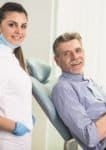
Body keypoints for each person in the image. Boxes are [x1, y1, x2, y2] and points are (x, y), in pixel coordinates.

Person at [0, 2, 34, 150]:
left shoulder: (12, 57)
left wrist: (27, 118)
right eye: (12, 25)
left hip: (20, 141)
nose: (19, 31)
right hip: (6, 140)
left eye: (23, 26)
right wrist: (15, 126)